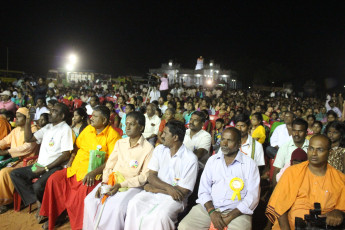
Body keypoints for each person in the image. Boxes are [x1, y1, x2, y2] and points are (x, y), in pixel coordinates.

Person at [39, 106, 121, 230]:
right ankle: (57, 216)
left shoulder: (113, 136)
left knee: (84, 191)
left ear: (104, 120)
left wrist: (93, 173)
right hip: (75, 169)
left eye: (95, 116)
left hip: (93, 173)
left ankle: (79, 226)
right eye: (91, 115)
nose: (91, 118)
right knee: (53, 180)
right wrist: (71, 160)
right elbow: (76, 147)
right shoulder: (88, 129)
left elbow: (112, 160)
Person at [83, 111, 154, 230]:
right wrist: (105, 183)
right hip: (111, 181)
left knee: (116, 208)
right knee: (90, 201)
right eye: (126, 124)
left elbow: (143, 177)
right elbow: (109, 165)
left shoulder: (148, 148)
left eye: (132, 124)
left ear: (141, 127)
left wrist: (121, 184)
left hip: (130, 185)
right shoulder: (120, 143)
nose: (127, 127)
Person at [178, 128, 260, 230]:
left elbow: (253, 197)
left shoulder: (250, 164)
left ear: (239, 144)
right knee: (184, 227)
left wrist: (230, 216)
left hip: (237, 212)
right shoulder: (212, 160)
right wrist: (212, 211)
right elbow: (204, 190)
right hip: (210, 208)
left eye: (229, 140)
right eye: (222, 139)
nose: (224, 144)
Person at [125, 120, 198, 230]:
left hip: (175, 200)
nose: (161, 135)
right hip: (161, 192)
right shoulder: (159, 149)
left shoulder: (190, 159)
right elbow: (151, 176)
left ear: (175, 137)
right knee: (134, 204)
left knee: (160, 216)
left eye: (165, 133)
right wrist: (168, 188)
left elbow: (183, 192)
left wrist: (154, 189)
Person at [266, 135, 345, 229]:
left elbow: (341, 209)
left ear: (330, 152)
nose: (314, 153)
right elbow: (280, 209)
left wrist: (339, 212)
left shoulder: (339, 179)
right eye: (311, 148)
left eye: (319, 150)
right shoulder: (292, 172)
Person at [10, 103, 74, 214]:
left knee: (38, 186)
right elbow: (29, 138)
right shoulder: (48, 127)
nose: (50, 112)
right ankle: (40, 202)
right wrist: (28, 120)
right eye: (51, 109)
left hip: (55, 166)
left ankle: (43, 205)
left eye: (54, 110)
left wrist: (44, 168)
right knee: (15, 174)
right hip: (40, 165)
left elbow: (65, 155)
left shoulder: (65, 129)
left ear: (62, 116)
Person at [0, 108, 38, 214]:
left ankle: (5, 203)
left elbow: (28, 147)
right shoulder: (15, 130)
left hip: (27, 162)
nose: (15, 118)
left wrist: (7, 152)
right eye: (16, 115)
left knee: (3, 173)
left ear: (27, 118)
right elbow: (4, 141)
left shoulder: (33, 129)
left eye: (19, 116)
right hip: (14, 160)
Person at [272, 118, 309, 185]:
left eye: (300, 131)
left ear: (306, 133)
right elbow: (277, 170)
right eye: (294, 131)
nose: (296, 134)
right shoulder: (285, 147)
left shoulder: (311, 147)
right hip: (287, 184)